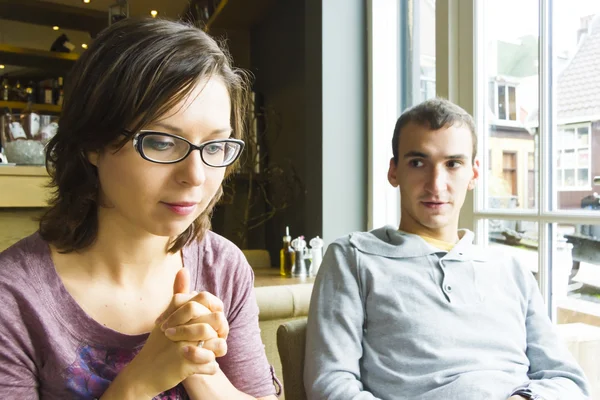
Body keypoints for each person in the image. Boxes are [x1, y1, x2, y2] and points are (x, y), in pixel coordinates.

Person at [0, 18, 279, 400]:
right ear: (91, 143)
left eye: (215, 147)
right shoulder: (14, 298)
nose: (195, 176)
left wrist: (199, 366)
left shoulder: (222, 267)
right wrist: (138, 384)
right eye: (162, 142)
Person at [304, 98, 591, 400]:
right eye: (418, 163)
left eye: (453, 163)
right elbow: (331, 385)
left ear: (474, 173)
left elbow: (568, 381)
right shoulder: (353, 257)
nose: (436, 184)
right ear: (393, 171)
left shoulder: (510, 269)